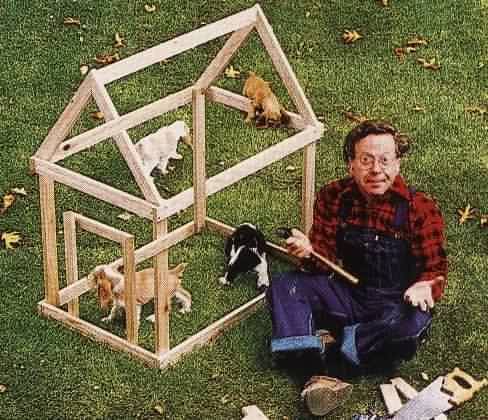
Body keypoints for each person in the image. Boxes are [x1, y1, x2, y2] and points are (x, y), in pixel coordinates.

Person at [267, 119, 447, 374]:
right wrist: (309, 251)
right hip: (348, 294)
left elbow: (436, 269)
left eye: (385, 160)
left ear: (397, 164)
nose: (376, 170)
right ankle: (305, 355)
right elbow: (323, 260)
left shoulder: (420, 207)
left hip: (394, 304)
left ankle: (336, 348)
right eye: (366, 160)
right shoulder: (333, 196)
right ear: (351, 164)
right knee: (286, 285)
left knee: (410, 324)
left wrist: (425, 285)